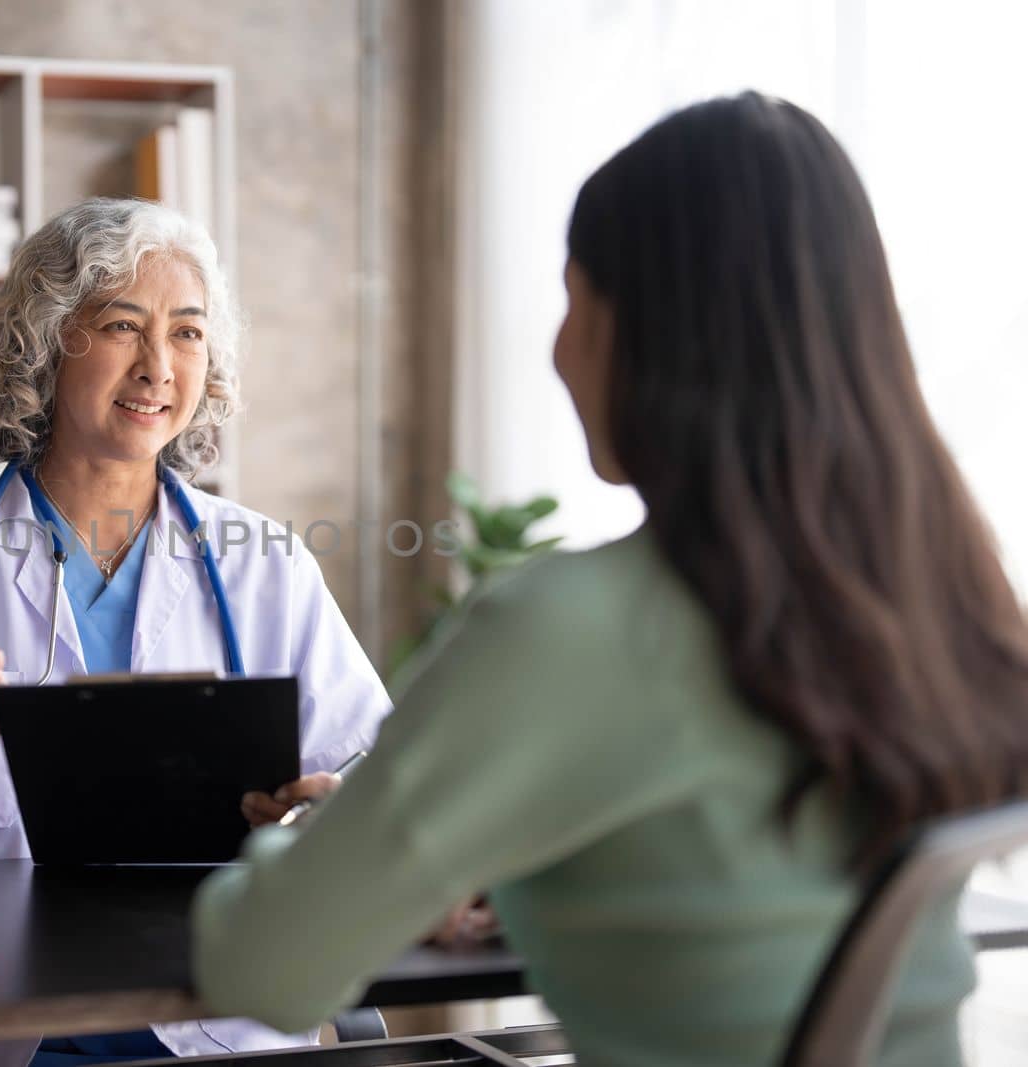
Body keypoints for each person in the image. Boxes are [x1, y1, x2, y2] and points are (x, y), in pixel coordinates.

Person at [191, 92, 1028, 1067]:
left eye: (572, 297)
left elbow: (264, 968)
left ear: (651, 332)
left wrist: (321, 833)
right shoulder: (933, 596)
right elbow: (744, 884)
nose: (555, 346)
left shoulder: (570, 626)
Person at [0, 197, 389, 1067]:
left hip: (214, 1022)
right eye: (121, 326)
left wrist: (329, 812)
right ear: (46, 339)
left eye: (185, 333)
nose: (157, 367)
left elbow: (369, 774)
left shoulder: (266, 564)